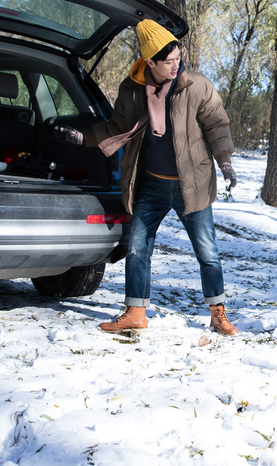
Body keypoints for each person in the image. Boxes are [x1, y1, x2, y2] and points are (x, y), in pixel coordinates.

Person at [54, 19, 238, 335]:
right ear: (149, 62)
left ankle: (218, 313)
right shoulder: (133, 90)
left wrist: (225, 161)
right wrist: (83, 139)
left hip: (190, 185)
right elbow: (116, 128)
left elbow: (217, 125)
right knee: (138, 248)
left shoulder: (195, 85)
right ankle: (136, 312)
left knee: (207, 252)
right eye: (168, 62)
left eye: (179, 59)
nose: (176, 66)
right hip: (151, 184)